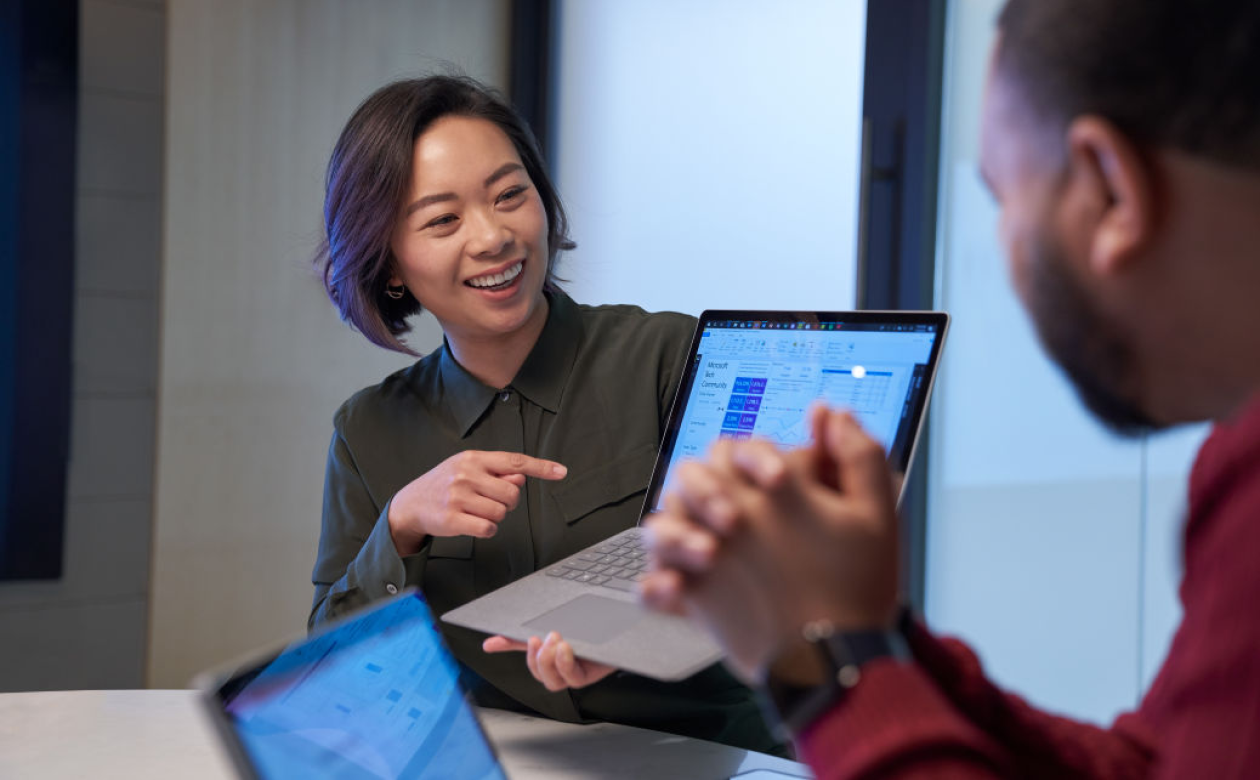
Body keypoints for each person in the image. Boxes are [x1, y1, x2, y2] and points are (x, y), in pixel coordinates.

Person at [640, 0, 1260, 776]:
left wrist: (822, 660)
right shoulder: (1237, 451)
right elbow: (1156, 762)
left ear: (1109, 191)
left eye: (1003, 200)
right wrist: (874, 626)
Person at [307, 75, 783, 755]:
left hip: (708, 758)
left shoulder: (669, 357)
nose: (494, 237)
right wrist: (401, 527)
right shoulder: (368, 431)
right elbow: (330, 673)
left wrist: (640, 636)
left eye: (510, 196)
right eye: (444, 220)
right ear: (390, 267)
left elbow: (766, 577)